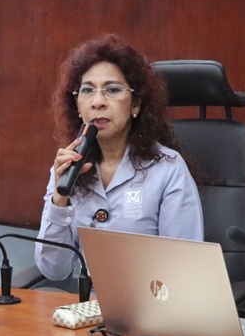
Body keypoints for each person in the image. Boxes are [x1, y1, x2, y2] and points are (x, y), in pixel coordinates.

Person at [36, 34, 204, 281]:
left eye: (112, 90)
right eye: (87, 91)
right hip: (85, 308)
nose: (98, 102)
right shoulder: (68, 168)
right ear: (78, 105)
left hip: (148, 310)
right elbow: (54, 271)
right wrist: (60, 201)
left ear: (135, 104)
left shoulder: (167, 169)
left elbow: (183, 270)